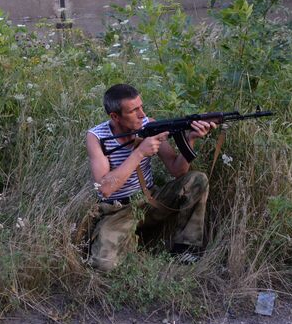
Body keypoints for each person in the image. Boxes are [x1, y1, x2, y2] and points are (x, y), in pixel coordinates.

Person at [85, 84, 216, 272]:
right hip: (119, 210)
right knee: (103, 265)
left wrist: (191, 139)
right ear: (115, 116)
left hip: (151, 201)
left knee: (196, 180)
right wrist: (139, 153)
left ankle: (185, 249)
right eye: (133, 110)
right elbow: (104, 188)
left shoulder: (149, 125)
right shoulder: (96, 137)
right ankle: (133, 241)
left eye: (141, 107)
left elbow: (177, 171)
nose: (142, 114)